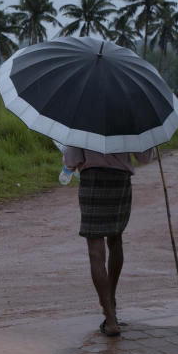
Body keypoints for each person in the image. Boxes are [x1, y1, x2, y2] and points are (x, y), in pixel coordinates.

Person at [62, 144, 156, 337]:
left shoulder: (82, 117)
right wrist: (153, 144)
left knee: (95, 251)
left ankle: (110, 317)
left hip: (92, 180)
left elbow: (72, 159)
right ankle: (110, 299)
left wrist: (69, 167)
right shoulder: (127, 115)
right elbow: (144, 158)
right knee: (116, 240)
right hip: (120, 181)